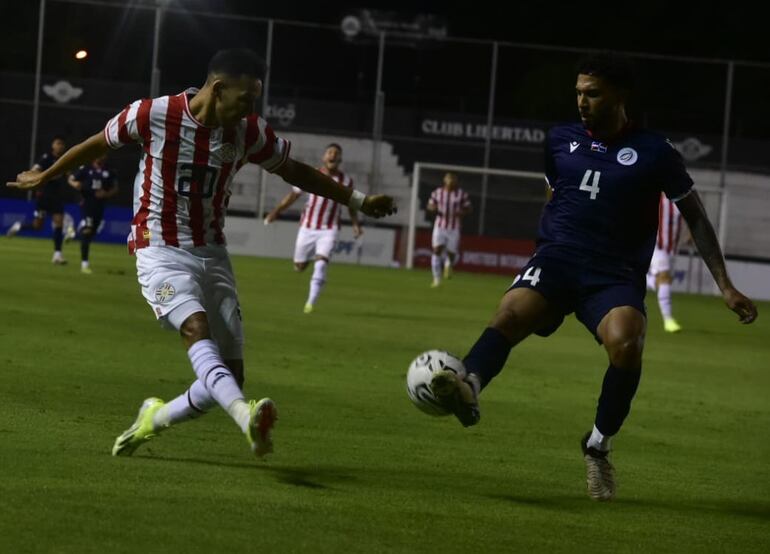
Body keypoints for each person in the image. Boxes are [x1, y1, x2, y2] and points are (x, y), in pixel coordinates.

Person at [7, 48, 396, 460]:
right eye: (246, 98)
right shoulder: (152, 114)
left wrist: (357, 200)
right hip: (157, 246)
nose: (251, 108)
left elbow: (295, 170)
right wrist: (46, 176)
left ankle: (153, 419)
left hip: (212, 250)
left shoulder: (248, 131)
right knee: (195, 326)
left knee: (232, 375)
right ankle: (246, 419)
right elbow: (97, 143)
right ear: (218, 88)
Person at [426, 52, 757, 501]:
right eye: (578, 92)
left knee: (627, 341)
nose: (582, 101)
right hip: (559, 258)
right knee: (509, 313)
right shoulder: (560, 139)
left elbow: (694, 216)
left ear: (620, 96)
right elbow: (555, 195)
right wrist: (541, 257)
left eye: (593, 93)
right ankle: (469, 386)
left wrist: (725, 285)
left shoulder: (655, 151)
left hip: (614, 271)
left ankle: (598, 447)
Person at [264, 143, 362, 313]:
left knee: (322, 263)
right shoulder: (312, 175)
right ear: (324, 157)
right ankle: (309, 259)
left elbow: (351, 204)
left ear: (340, 159)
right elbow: (293, 195)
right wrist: (275, 212)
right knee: (299, 266)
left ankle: (310, 303)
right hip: (307, 227)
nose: (332, 155)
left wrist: (355, 224)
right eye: (329, 152)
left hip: (330, 228)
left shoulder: (346, 181)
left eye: (336, 153)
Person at [6, 136, 75, 263]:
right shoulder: (46, 157)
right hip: (44, 195)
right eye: (58, 143)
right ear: (53, 145)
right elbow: (35, 170)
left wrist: (75, 183)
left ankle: (57, 255)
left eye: (62, 144)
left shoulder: (64, 159)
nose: (60, 146)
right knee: (38, 226)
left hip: (57, 196)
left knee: (58, 222)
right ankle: (20, 226)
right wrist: (38, 176)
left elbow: (69, 175)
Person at [68, 155, 120, 274]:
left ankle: (74, 233)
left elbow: (115, 188)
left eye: (103, 154)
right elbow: (71, 179)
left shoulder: (109, 171)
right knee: (88, 230)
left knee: (91, 233)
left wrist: (106, 194)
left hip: (100, 206)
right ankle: (84, 264)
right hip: (87, 204)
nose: (101, 156)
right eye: (98, 153)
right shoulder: (85, 168)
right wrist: (75, 184)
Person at [647, 193, 688, 332]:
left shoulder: (679, 199)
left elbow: (689, 218)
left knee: (661, 280)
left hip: (672, 249)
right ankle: (668, 320)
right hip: (657, 246)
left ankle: (647, 279)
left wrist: (690, 235)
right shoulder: (654, 198)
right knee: (664, 278)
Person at [426, 172, 471, 287]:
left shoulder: (461, 194)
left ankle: (448, 264)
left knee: (451, 253)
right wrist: (433, 208)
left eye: (453, 179)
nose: (451, 181)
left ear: (456, 181)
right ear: (445, 180)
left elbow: (468, 208)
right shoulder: (437, 193)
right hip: (440, 226)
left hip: (454, 227)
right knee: (437, 250)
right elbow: (430, 205)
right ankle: (436, 279)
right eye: (449, 179)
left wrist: (461, 212)